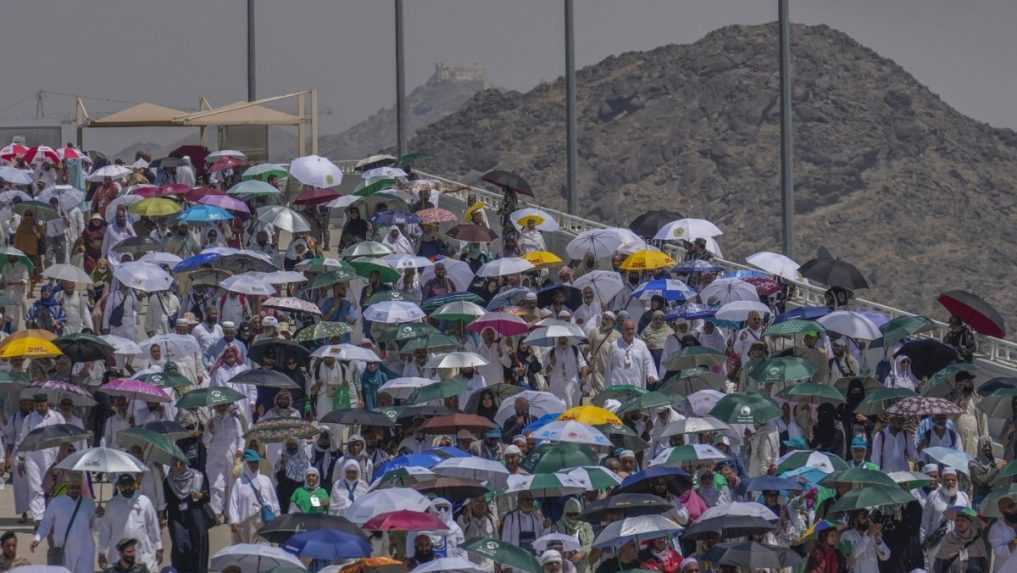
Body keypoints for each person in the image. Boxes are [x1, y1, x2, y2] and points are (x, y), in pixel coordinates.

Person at [15, 394, 66, 523]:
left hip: (52, 457)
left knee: (52, 487)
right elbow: (23, 439)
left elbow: (65, 436)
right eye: (37, 405)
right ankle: (39, 518)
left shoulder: (57, 417)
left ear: (47, 403)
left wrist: (63, 457)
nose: (39, 408)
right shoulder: (29, 419)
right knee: (35, 488)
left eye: (41, 405)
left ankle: (52, 515)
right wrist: (20, 459)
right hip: (32, 458)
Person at [97, 474, 162, 573]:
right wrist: (101, 552)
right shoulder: (112, 504)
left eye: (130, 485)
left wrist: (159, 547)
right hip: (118, 556)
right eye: (123, 486)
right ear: (118, 487)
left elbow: (153, 525)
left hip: (141, 553)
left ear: (135, 485)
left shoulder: (144, 501)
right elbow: (105, 530)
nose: (127, 488)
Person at [31, 475, 95, 573]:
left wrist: (100, 515)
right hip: (64, 549)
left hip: (85, 549)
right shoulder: (57, 502)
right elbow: (46, 524)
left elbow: (95, 526)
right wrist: (37, 538)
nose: (75, 490)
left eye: (77, 487)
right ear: (67, 486)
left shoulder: (89, 503)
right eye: (72, 487)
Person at [163, 459, 212, 573]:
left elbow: (207, 496)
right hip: (177, 518)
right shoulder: (168, 480)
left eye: (181, 463)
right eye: (175, 464)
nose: (178, 466)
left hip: (196, 517)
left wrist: (200, 496)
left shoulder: (198, 476)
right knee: (181, 548)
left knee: (198, 548)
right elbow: (165, 500)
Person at [227, 449, 280, 543]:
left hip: (263, 521)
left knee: (263, 548)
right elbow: (233, 503)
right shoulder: (239, 482)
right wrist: (234, 521)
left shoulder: (265, 480)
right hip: (245, 523)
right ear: (246, 463)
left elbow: (273, 500)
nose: (254, 465)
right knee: (245, 549)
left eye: (256, 462)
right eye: (251, 462)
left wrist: (277, 516)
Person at [203, 403, 245, 518]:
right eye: (218, 406)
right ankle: (216, 513)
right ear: (215, 407)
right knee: (216, 485)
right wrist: (210, 431)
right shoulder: (211, 421)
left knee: (233, 485)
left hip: (232, 457)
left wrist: (240, 451)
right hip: (215, 457)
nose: (221, 408)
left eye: (223, 406)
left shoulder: (234, 419)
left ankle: (230, 513)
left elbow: (241, 437)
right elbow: (205, 441)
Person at [922, 468, 971, 556]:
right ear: (942, 480)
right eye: (947, 480)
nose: (950, 482)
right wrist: (923, 542)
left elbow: (970, 520)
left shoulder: (963, 497)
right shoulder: (934, 496)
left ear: (957, 481)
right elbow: (925, 523)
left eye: (953, 480)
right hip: (937, 545)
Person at [604, 319, 659, 389]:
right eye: (627, 329)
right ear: (623, 330)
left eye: (632, 329)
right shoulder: (614, 346)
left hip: (636, 386)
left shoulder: (641, 345)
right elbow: (608, 368)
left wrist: (651, 375)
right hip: (617, 386)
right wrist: (607, 388)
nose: (630, 331)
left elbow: (648, 361)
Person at [934, 508, 986, 573]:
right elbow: (939, 563)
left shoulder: (977, 541)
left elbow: (983, 563)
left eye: (963, 520)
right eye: (957, 520)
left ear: (969, 522)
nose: (959, 523)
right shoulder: (949, 538)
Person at [546, 337, 589, 408]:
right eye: (561, 338)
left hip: (573, 387)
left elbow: (583, 365)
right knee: (560, 409)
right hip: (557, 388)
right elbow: (545, 371)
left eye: (564, 338)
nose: (563, 340)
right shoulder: (552, 352)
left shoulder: (575, 350)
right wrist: (551, 364)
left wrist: (584, 377)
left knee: (573, 410)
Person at [275, 436, 310, 513]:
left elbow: (307, 478)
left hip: (299, 494)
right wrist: (283, 465)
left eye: (293, 444)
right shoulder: (281, 459)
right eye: (289, 445)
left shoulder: (304, 459)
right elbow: (278, 478)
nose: (291, 447)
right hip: (285, 496)